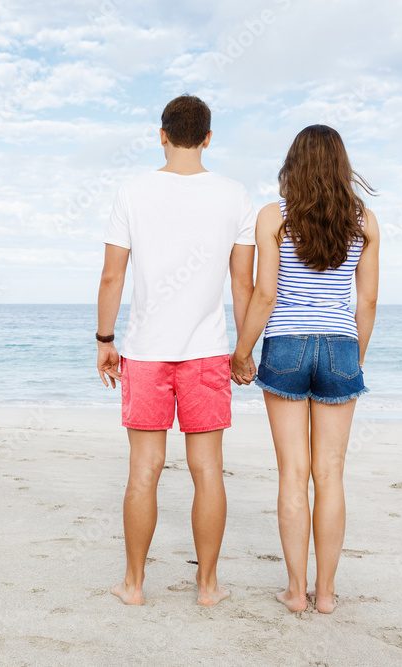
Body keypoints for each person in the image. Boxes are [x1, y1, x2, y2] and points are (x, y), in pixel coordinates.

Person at [96, 95, 256, 606]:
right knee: (207, 470)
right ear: (208, 138)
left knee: (144, 469)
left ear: (162, 134)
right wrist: (243, 350)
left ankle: (134, 585)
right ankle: (207, 586)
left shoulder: (132, 191)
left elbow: (112, 276)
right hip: (207, 352)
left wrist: (105, 340)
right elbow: (243, 285)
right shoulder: (235, 196)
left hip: (145, 352)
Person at [230, 124, 379, 614]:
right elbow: (367, 302)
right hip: (340, 344)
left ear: (293, 164)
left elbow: (265, 293)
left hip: (287, 344)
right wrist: (354, 359)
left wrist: (242, 352)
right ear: (341, 165)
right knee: (330, 474)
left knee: (293, 474)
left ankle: (296, 591)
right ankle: (327, 594)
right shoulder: (364, 221)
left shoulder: (274, 217)